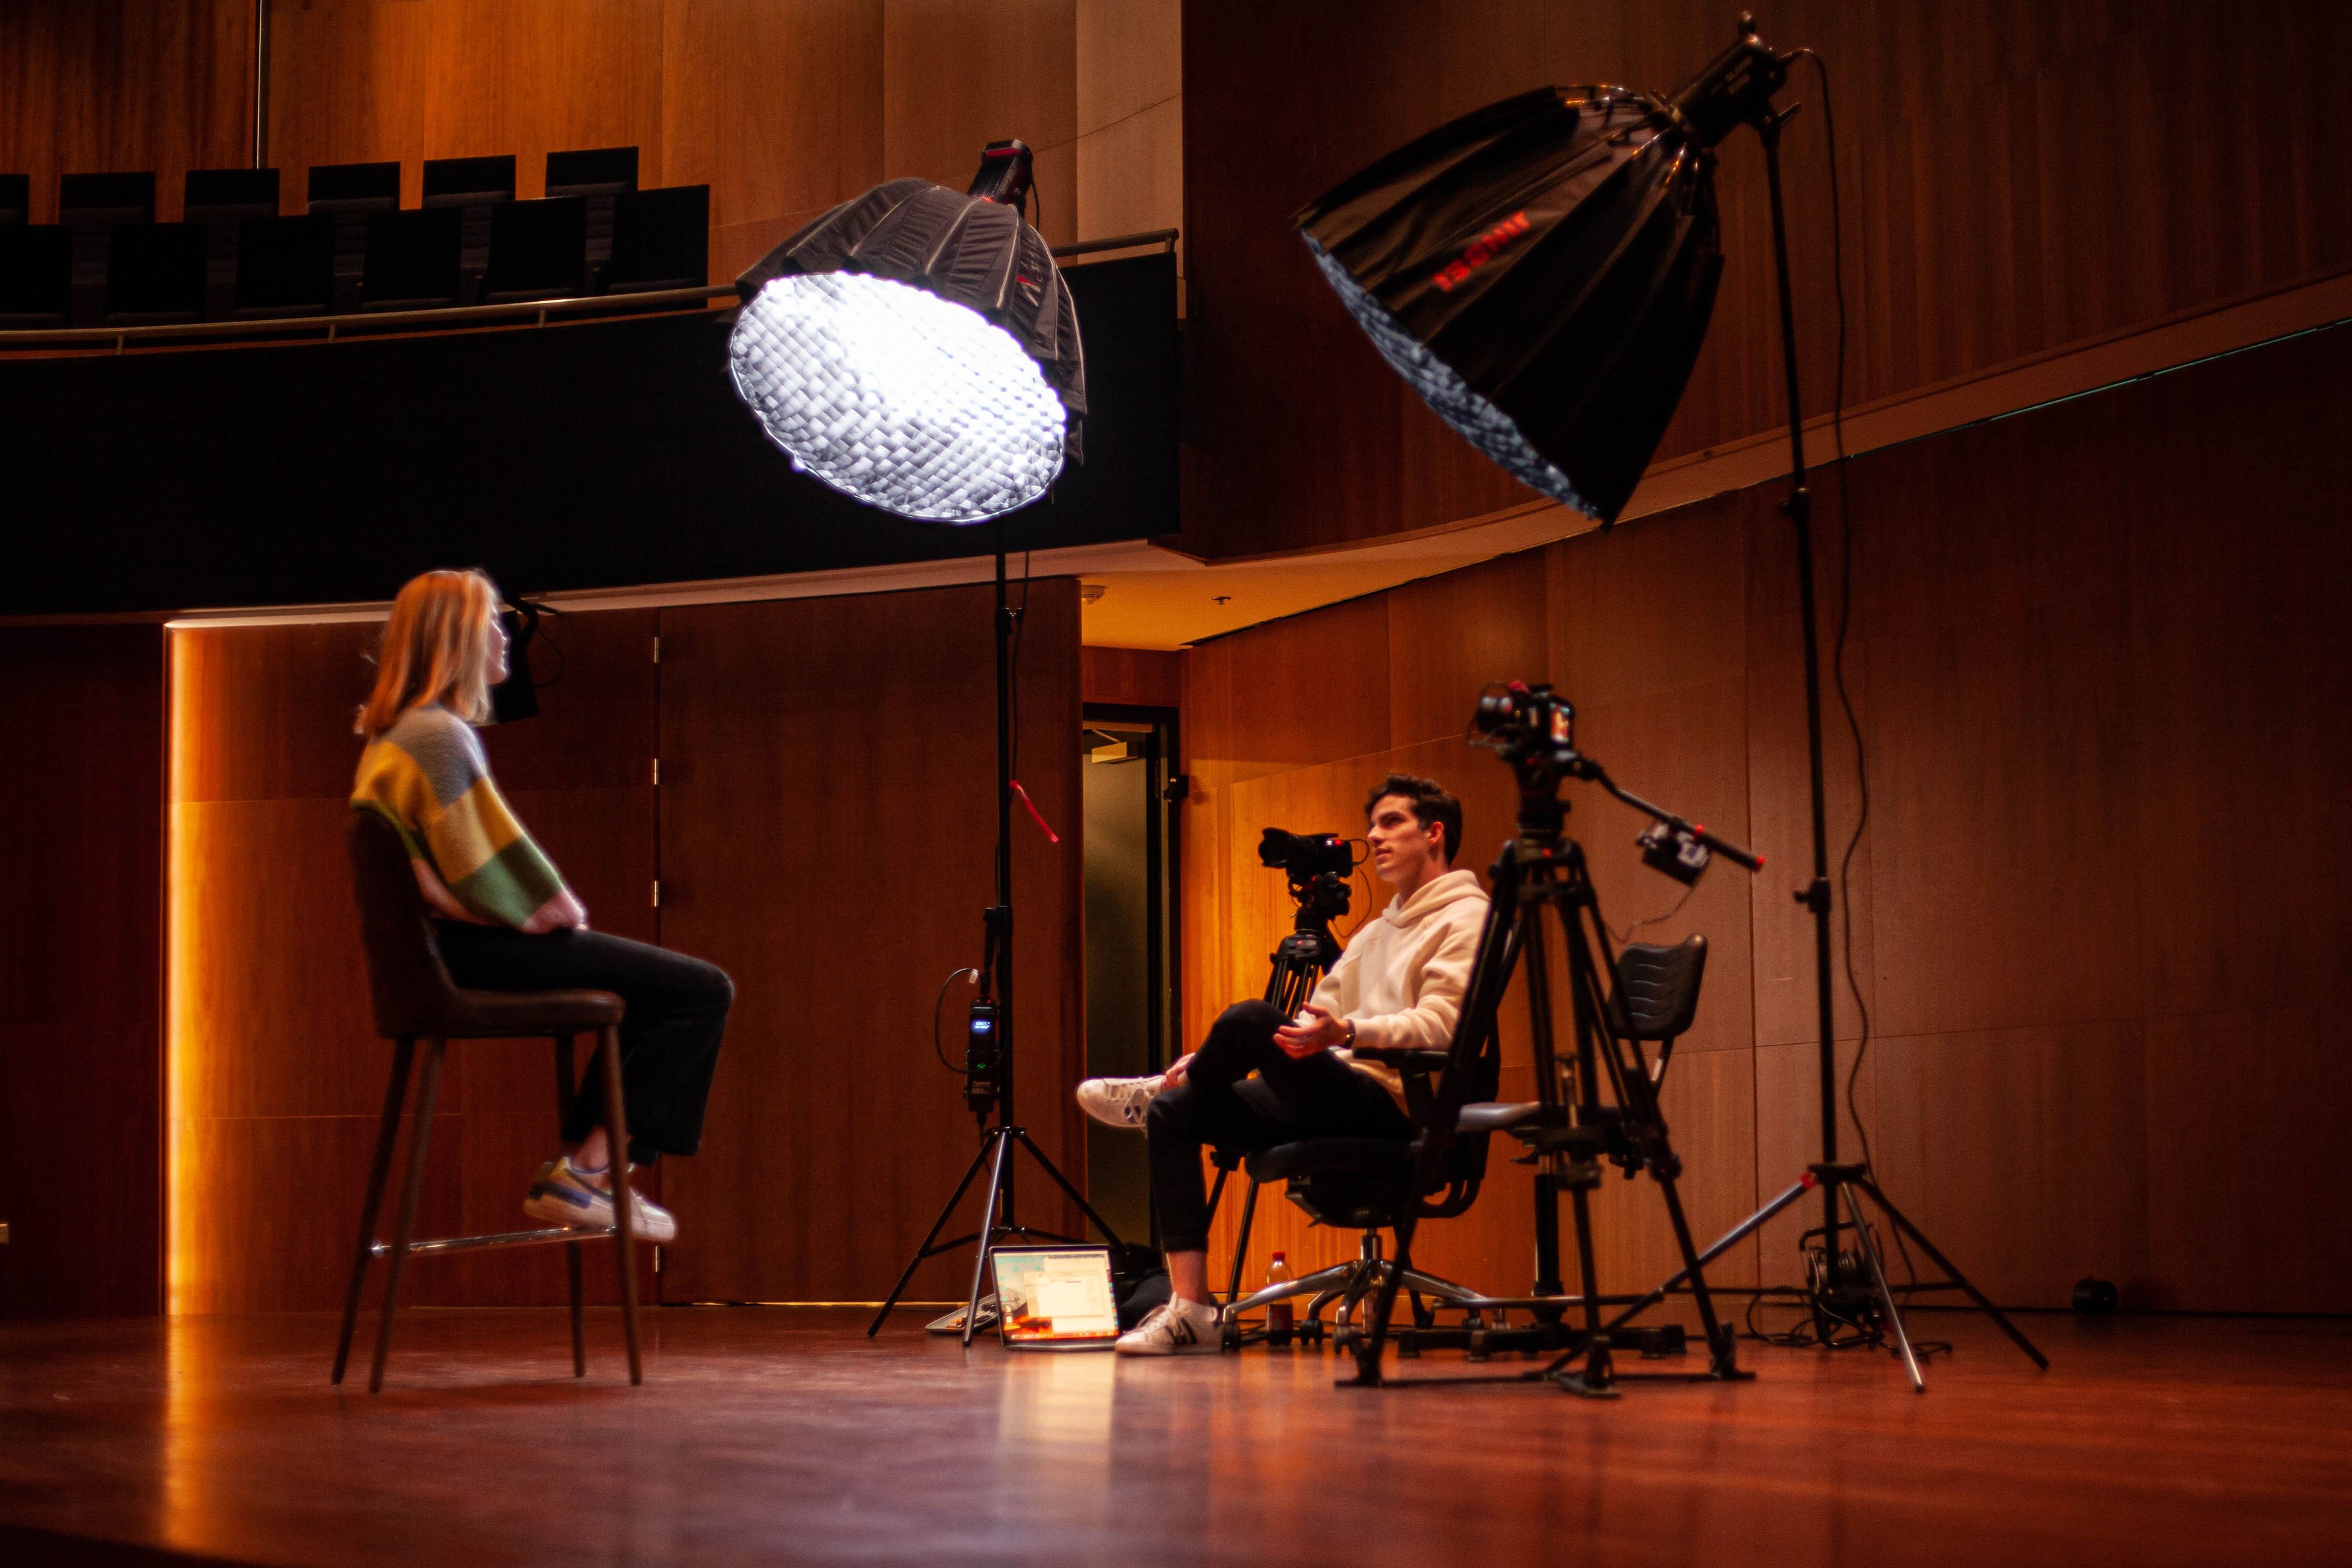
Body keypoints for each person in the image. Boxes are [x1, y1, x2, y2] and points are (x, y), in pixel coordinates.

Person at [350, 568, 733, 1244]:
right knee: (702, 991)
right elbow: (485, 868)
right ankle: (587, 1177)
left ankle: (588, 1176)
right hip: (470, 952)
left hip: (443, 953)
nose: (505, 638)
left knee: (655, 991)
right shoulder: (436, 736)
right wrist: (554, 910)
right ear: (457, 637)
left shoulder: (398, 735)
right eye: (493, 624)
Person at [1086, 774, 1489, 1355]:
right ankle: (1191, 1310)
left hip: (1399, 1104)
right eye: (1372, 825)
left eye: (1392, 822)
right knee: (1175, 1111)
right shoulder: (1376, 932)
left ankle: (1166, 1086)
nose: (1375, 836)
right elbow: (1309, 1018)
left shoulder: (1469, 917)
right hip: (1338, 1092)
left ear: (1435, 833)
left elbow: (1446, 1026)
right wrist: (1216, 1057)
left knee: (1252, 1018)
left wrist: (1347, 1032)